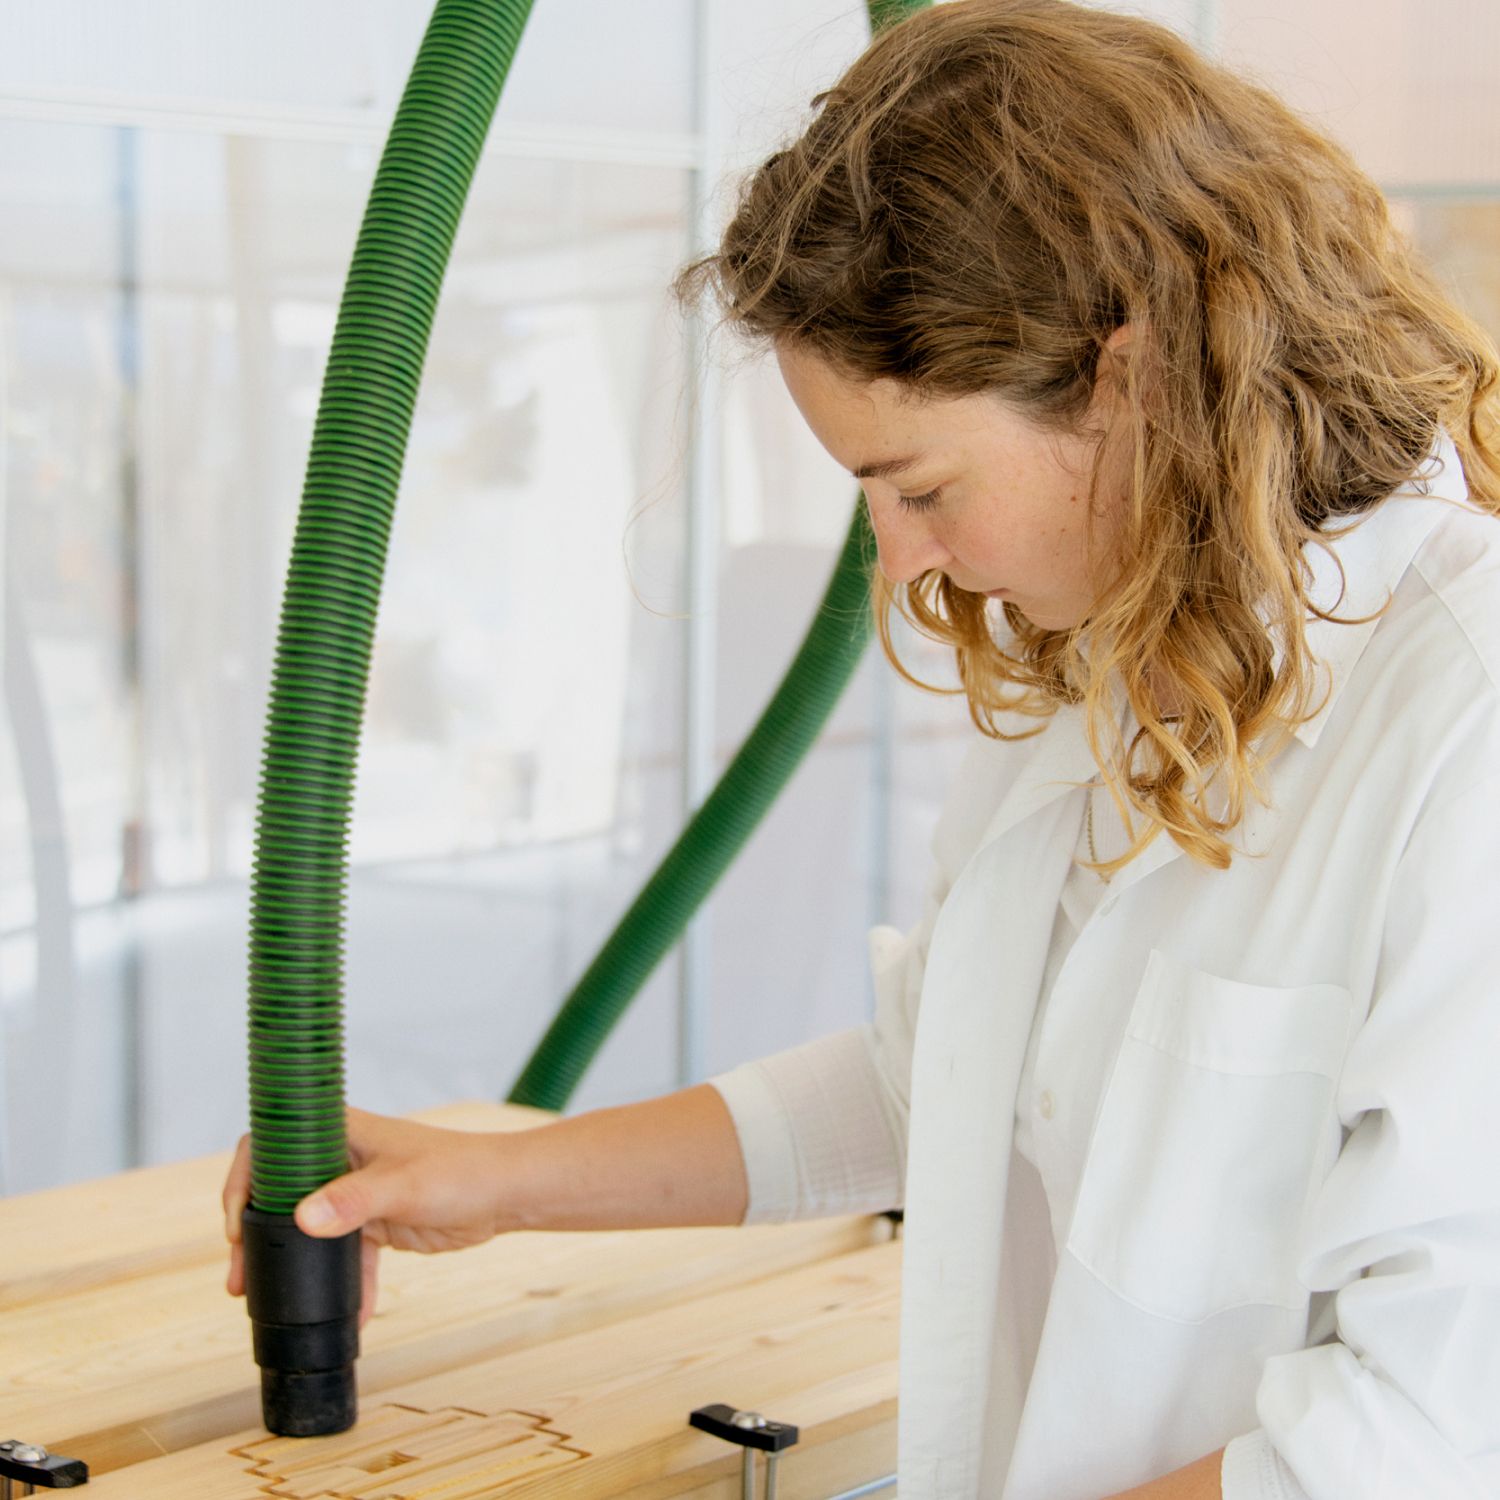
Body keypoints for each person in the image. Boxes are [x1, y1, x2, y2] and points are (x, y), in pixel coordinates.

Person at [225, 2, 1500, 1495]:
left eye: (921, 487)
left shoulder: (1459, 725)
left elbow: (1418, 1433)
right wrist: (484, 1181)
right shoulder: (1127, 660)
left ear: (1130, 382)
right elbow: (942, 1084)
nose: (901, 566)